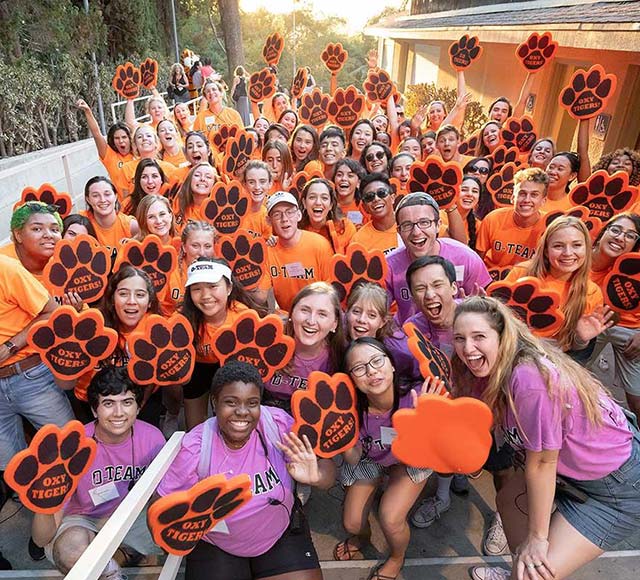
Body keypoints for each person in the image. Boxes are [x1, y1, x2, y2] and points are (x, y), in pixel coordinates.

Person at [453, 296, 640, 580]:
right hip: (573, 473)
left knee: (534, 573)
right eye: (459, 338)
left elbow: (541, 462)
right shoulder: (494, 368)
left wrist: (538, 538)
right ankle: (519, 571)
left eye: (479, 336)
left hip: (617, 491)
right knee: (508, 500)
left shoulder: (529, 379)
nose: (467, 348)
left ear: (502, 336)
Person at [156, 361, 335, 580]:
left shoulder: (277, 425)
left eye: (252, 403)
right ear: (215, 402)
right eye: (231, 402)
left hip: (278, 531)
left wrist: (317, 476)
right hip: (217, 542)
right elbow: (163, 504)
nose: (242, 412)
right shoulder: (197, 446)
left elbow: (327, 474)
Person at [31, 367, 165, 580]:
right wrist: (43, 503)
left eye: (127, 402)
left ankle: (121, 553)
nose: (119, 413)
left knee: (169, 537)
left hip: (131, 515)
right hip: (83, 517)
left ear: (138, 408)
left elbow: (162, 498)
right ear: (94, 410)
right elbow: (40, 539)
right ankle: (113, 571)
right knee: (71, 553)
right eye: (108, 403)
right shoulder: (73, 446)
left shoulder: (153, 438)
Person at [335, 338, 432, 580]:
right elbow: (354, 458)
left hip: (411, 458)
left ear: (392, 365)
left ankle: (397, 558)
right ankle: (363, 537)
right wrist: (344, 440)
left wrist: (430, 416)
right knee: (352, 523)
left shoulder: (418, 397)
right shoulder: (350, 410)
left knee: (390, 519)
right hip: (372, 458)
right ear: (352, 380)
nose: (371, 371)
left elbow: (443, 446)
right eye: (359, 368)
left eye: (377, 361)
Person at [0, 254, 74, 481]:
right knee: (10, 467)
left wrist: (11, 346)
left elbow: (52, 311)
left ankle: (84, 508)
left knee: (69, 448)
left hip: (30, 376)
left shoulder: (6, 268)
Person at [504, 217, 609, 355]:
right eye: (558, 246)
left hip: (554, 359)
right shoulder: (522, 273)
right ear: (546, 251)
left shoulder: (591, 292)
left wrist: (581, 339)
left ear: (587, 248)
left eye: (576, 245)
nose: (568, 253)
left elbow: (575, 347)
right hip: (510, 348)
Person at [179, 258, 263, 430]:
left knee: (229, 421)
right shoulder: (184, 319)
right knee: (194, 428)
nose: (205, 296)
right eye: (197, 289)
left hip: (233, 367)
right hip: (199, 367)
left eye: (213, 286)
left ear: (229, 288)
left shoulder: (244, 317)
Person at [385, 192, 491, 324]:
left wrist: (472, 308)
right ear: (399, 231)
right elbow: (376, 310)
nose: (416, 232)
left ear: (438, 225)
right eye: (407, 225)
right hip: (409, 338)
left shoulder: (465, 258)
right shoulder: (389, 265)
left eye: (424, 222)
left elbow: (490, 309)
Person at [589, 213, 640, 418]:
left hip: (630, 329)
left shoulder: (635, 268)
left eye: (630, 235)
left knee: (637, 399)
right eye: (616, 230)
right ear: (604, 231)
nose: (620, 238)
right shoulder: (578, 255)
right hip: (590, 325)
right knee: (566, 379)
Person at [265, 283, 344, 408]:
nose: (311, 321)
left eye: (322, 314)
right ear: (291, 313)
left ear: (334, 324)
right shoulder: (268, 339)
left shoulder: (339, 358)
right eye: (305, 310)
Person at [265, 191, 332, 313]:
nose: (284, 219)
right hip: (286, 319)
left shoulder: (320, 245)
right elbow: (264, 297)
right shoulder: (267, 251)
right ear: (269, 221)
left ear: (299, 215)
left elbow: (330, 292)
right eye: (277, 214)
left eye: (289, 212)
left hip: (317, 315)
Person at [476, 167, 548, 270]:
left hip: (527, 281)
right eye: (522, 194)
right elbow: (478, 261)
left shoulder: (549, 225)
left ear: (543, 201)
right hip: (492, 279)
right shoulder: (493, 219)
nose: (527, 200)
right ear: (512, 197)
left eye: (534, 195)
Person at [76, 99, 133, 186]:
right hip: (121, 199)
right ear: (113, 141)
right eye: (117, 138)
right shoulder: (109, 155)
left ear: (130, 138)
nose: (121, 141)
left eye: (124, 137)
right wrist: (88, 111)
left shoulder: (138, 153)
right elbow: (96, 134)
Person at [83, 176, 139, 257]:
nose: (102, 200)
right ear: (88, 199)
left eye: (107, 194)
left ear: (116, 196)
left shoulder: (131, 226)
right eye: (95, 196)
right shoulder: (82, 223)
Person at [299, 178, 356, 254]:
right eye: (312, 197)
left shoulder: (346, 227)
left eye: (324, 198)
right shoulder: (296, 230)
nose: (318, 202)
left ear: (331, 205)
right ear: (304, 203)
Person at [351, 173, 399, 255]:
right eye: (369, 197)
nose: (376, 199)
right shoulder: (358, 240)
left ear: (392, 198)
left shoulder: (409, 225)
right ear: (364, 207)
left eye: (381, 193)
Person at [440, 175, 482, 250]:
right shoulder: (439, 216)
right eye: (464, 190)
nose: (469, 194)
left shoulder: (478, 225)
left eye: (475, 191)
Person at [173, 162, 217, 233]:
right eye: (197, 175)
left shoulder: (220, 212)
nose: (202, 179)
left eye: (208, 177)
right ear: (189, 181)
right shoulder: (177, 203)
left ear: (214, 184)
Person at [240, 160, 273, 239]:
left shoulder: (268, 216)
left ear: (270, 184)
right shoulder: (233, 210)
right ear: (244, 184)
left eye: (262, 182)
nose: (257, 187)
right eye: (251, 182)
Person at [333, 158, 367, 228]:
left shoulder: (365, 207)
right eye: (339, 175)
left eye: (350, 176)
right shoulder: (328, 205)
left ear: (358, 183)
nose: (344, 179)